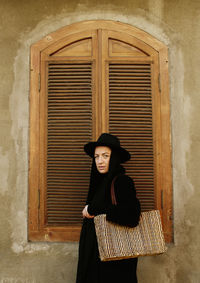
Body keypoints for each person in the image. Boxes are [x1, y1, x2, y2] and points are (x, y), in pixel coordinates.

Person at [76, 133, 141, 283]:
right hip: (97, 259)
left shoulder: (122, 182)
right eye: (97, 157)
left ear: (115, 157)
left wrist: (96, 209)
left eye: (105, 156)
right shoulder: (99, 183)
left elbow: (132, 216)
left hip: (115, 261)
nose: (100, 161)